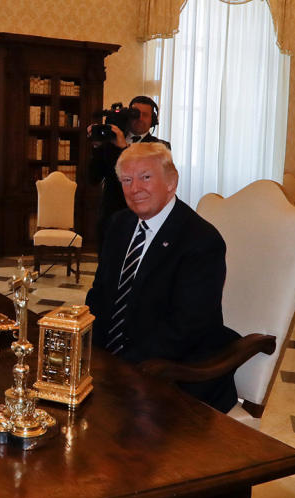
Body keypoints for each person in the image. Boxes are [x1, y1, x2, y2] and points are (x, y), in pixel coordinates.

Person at [84, 143, 239, 413]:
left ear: (171, 182)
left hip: (175, 374)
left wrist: (117, 368)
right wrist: (89, 354)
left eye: (145, 177)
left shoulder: (201, 240)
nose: (135, 189)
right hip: (115, 368)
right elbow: (100, 295)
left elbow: (187, 327)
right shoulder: (119, 224)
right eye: (127, 180)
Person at [88, 96, 170, 250]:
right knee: (107, 269)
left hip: (142, 221)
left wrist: (123, 148)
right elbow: (93, 178)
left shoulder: (160, 147)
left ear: (153, 121)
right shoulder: (110, 142)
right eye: (135, 113)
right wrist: (97, 147)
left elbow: (145, 178)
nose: (139, 118)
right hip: (110, 217)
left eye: (145, 115)